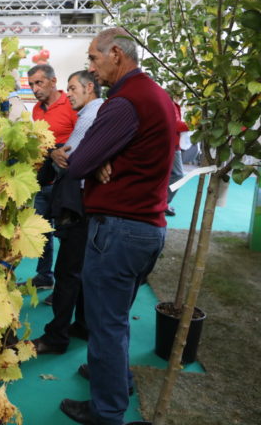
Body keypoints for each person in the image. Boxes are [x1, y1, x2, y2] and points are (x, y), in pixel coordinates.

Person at [60, 28, 176, 425]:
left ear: (115, 54)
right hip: (145, 227)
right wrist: (102, 158)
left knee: (105, 324)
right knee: (114, 319)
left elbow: (76, 163)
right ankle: (116, 379)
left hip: (120, 230)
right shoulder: (154, 94)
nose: (90, 67)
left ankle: (106, 412)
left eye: (93, 59)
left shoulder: (125, 102)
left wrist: (95, 159)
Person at [31, 70, 103, 356]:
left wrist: (55, 154)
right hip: (85, 202)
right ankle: (82, 325)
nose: (69, 93)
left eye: (73, 88)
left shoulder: (88, 114)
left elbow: (70, 157)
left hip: (79, 203)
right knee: (82, 268)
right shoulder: (96, 110)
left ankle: (56, 337)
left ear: (88, 88)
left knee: (67, 271)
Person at [27, 64, 78, 291]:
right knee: (41, 231)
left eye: (39, 83)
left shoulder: (72, 105)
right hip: (41, 179)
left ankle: (64, 289)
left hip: (64, 182)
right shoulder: (37, 110)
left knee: (65, 236)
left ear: (53, 81)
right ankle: (44, 276)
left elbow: (82, 142)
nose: (35, 88)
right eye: (31, 85)